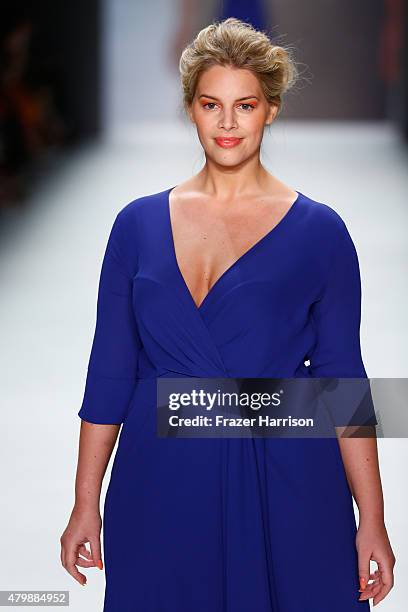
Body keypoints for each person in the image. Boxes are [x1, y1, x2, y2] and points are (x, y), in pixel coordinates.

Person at [60, 17, 395, 611]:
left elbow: (343, 381)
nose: (228, 123)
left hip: (287, 477)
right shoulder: (135, 226)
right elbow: (109, 373)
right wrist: (85, 503)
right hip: (160, 480)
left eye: (246, 105)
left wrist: (373, 518)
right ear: (191, 108)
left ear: (271, 110)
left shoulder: (321, 232)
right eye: (212, 104)